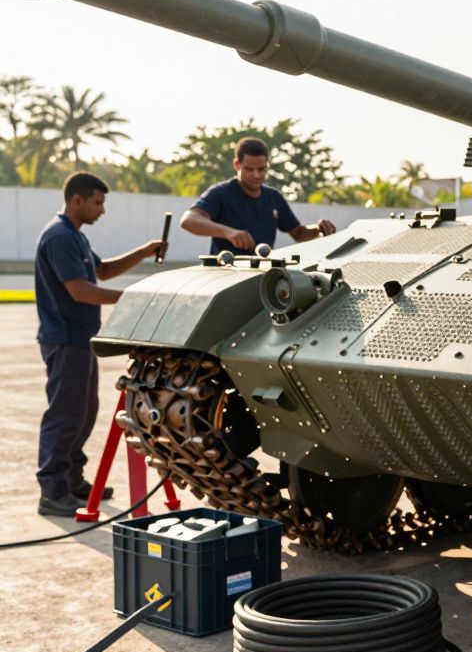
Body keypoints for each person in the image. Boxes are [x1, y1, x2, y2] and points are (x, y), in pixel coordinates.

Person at [35, 172, 168, 516]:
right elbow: (80, 291)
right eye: (98, 202)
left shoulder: (75, 237)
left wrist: (144, 251)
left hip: (81, 340)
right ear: (77, 200)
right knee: (65, 414)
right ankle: (52, 490)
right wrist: (136, 297)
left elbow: (103, 271)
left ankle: (72, 480)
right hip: (64, 339)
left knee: (84, 413)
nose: (102, 210)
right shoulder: (59, 237)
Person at [180, 137, 336, 255]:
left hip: (260, 279)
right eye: (249, 169)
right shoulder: (221, 193)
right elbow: (188, 220)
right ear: (236, 165)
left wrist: (317, 229)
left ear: (267, 165)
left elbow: (299, 233)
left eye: (261, 169)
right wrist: (228, 232)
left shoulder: (274, 197)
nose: (256, 175)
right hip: (224, 277)